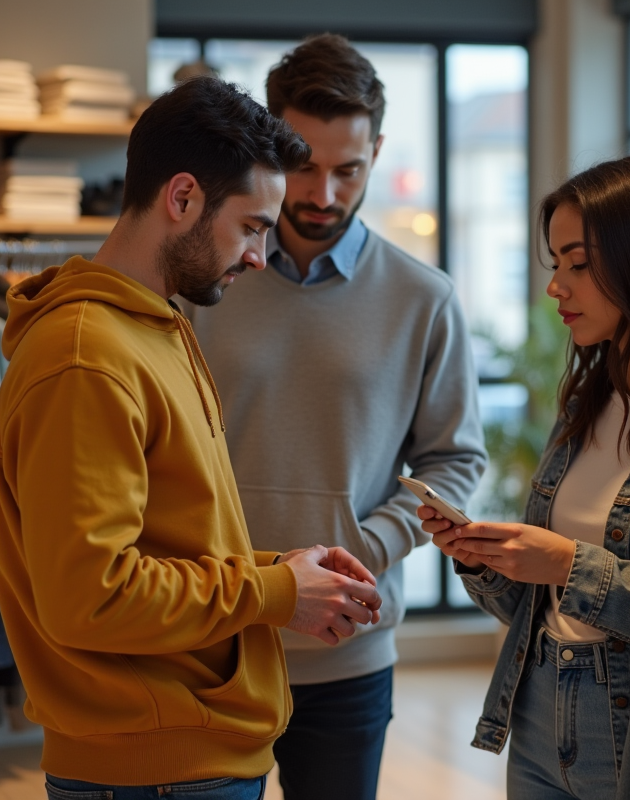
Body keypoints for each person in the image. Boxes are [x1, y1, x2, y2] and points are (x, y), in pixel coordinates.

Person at [0, 77, 384, 800]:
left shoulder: (153, 327)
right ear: (182, 199)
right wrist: (271, 591)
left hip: (184, 752)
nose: (261, 255)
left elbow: (166, 541)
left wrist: (283, 570)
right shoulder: (87, 355)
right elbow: (91, 596)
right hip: (155, 770)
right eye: (253, 226)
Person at [185, 34, 487, 800]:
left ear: (377, 152)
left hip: (348, 650)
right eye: (303, 166)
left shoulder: (425, 299)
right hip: (211, 642)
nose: (322, 192)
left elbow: (457, 463)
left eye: (347, 169)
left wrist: (367, 547)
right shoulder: (197, 283)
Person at [418, 156, 630, 799]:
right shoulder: (588, 400)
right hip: (537, 705)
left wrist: (570, 566)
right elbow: (533, 601)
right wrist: (485, 557)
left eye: (578, 264)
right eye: (555, 265)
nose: (556, 287)